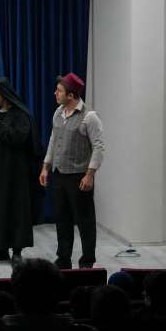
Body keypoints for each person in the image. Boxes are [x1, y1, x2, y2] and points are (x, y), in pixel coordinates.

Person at [39, 72, 104, 269]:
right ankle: (64, 257)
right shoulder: (58, 113)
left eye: (59, 91)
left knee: (85, 220)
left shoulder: (89, 117)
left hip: (79, 176)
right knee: (62, 218)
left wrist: (90, 174)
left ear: (71, 95)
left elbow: (99, 147)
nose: (55, 93)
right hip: (59, 174)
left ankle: (87, 261)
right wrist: (46, 167)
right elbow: (53, 140)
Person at [0, 77, 42, 265]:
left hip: (16, 172)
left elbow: (19, 137)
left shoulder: (20, 115)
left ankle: (17, 250)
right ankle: (0, 248)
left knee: (16, 209)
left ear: (4, 94)